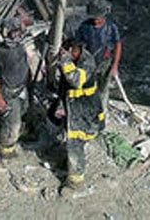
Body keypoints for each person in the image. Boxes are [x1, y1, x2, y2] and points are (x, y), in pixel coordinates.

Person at [59, 37, 105, 190]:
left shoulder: (87, 62)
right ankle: (71, 163)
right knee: (74, 141)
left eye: (68, 50)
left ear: (75, 49)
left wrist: (64, 60)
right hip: (77, 108)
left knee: (75, 143)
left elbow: (76, 80)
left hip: (85, 111)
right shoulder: (76, 59)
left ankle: (75, 181)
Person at [0, 16, 30, 158]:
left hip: (22, 89)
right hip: (9, 93)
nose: (16, 34)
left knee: (22, 113)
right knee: (11, 123)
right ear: (6, 33)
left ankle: (16, 136)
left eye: (18, 31)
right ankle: (6, 150)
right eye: (13, 32)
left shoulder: (21, 46)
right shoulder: (1, 53)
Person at [76, 0, 122, 111]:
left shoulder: (111, 28)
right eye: (93, 17)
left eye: (98, 17)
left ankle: (101, 112)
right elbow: (77, 45)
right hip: (87, 64)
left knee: (103, 90)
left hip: (104, 63)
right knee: (86, 88)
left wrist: (115, 65)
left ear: (104, 16)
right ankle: (87, 109)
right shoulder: (84, 27)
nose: (95, 20)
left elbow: (117, 45)